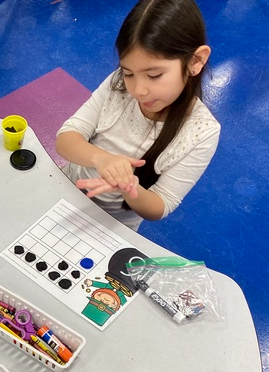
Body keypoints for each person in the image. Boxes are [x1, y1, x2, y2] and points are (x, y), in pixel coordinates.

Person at [55, 0, 220, 231]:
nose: (138, 90)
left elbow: (162, 204)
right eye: (129, 72)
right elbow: (66, 138)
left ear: (195, 61)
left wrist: (129, 187)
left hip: (114, 225)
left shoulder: (201, 132)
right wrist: (100, 158)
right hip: (64, 189)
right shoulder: (118, 84)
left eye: (154, 75)